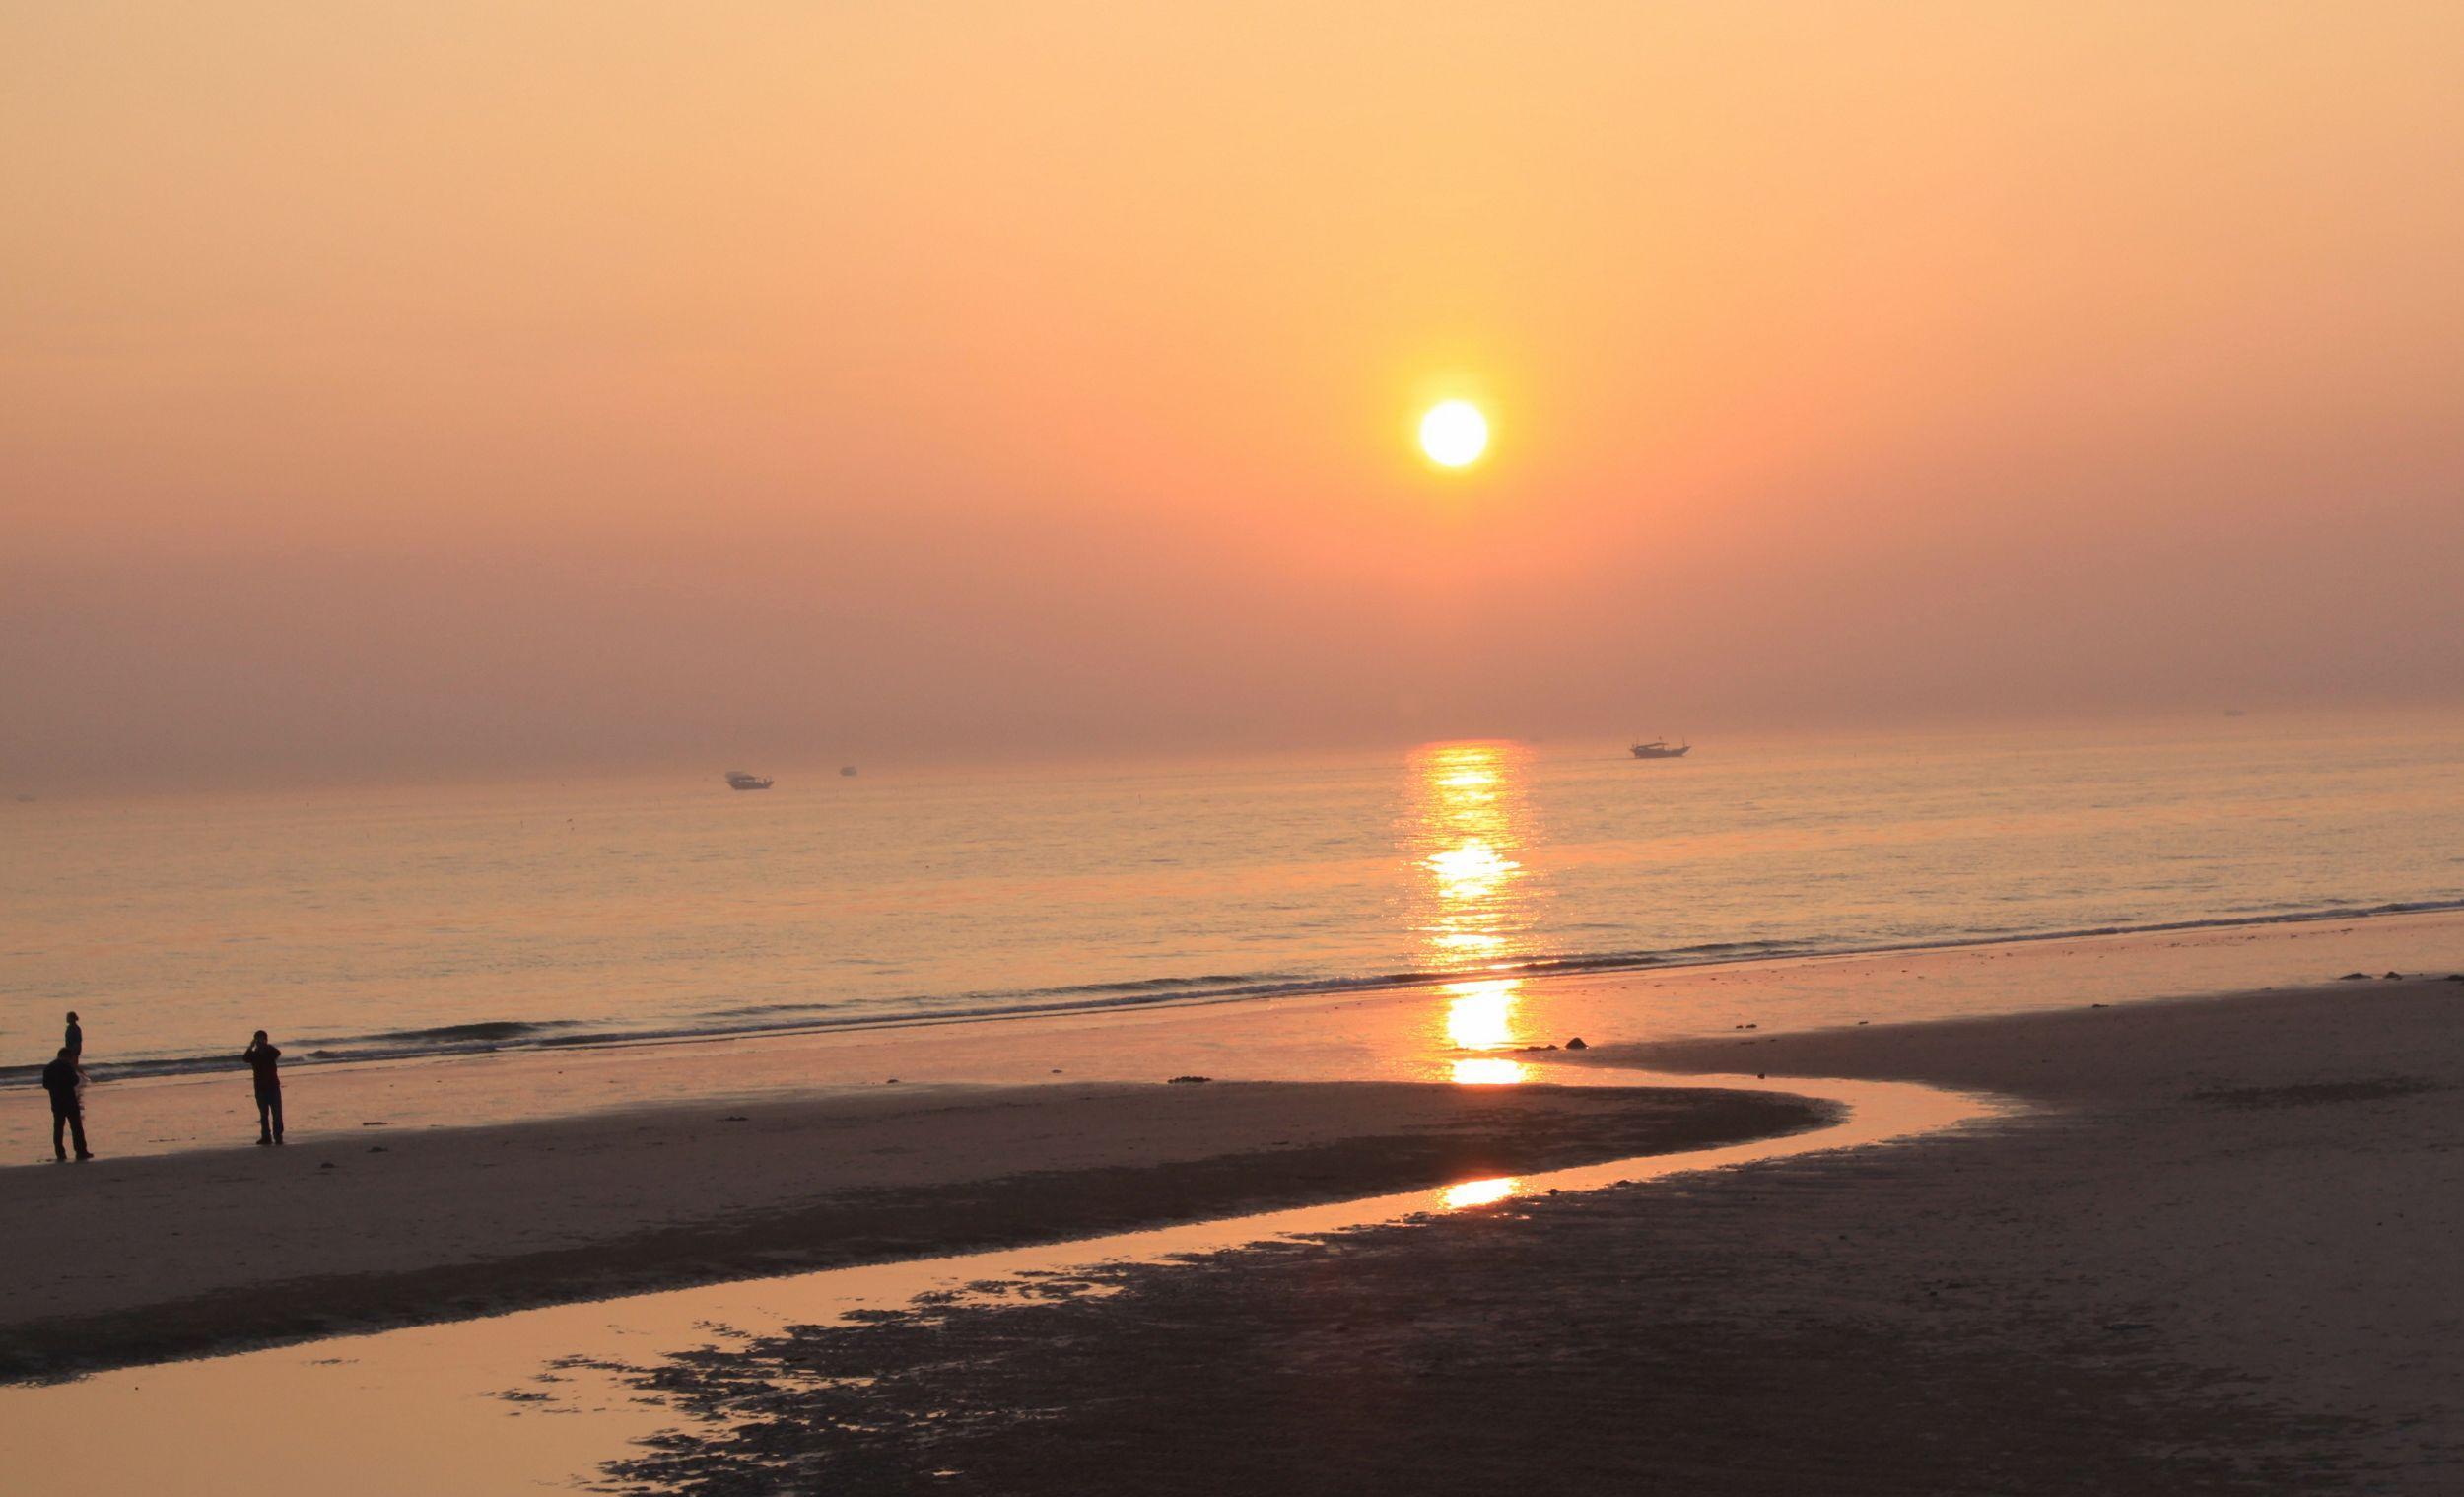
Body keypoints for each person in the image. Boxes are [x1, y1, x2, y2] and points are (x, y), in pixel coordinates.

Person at [41, 1047, 91, 1162]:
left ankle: (60, 1153)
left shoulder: (48, 1067)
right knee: (76, 1127)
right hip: (69, 1100)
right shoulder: (67, 1066)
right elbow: (75, 1081)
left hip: (56, 1101)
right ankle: (81, 1151)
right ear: (67, 1056)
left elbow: (45, 1085)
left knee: (58, 1128)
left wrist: (55, 1088)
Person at [243, 1030, 284, 1145]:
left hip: (273, 1086)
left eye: (262, 1039)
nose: (260, 1042)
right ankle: (266, 1137)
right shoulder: (254, 1054)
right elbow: (245, 1058)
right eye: (258, 1039)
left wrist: (266, 1045)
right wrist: (251, 1046)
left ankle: (278, 1136)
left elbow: (278, 1053)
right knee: (263, 1114)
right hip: (260, 1088)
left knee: (277, 1113)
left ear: (266, 1040)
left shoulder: (270, 1052)